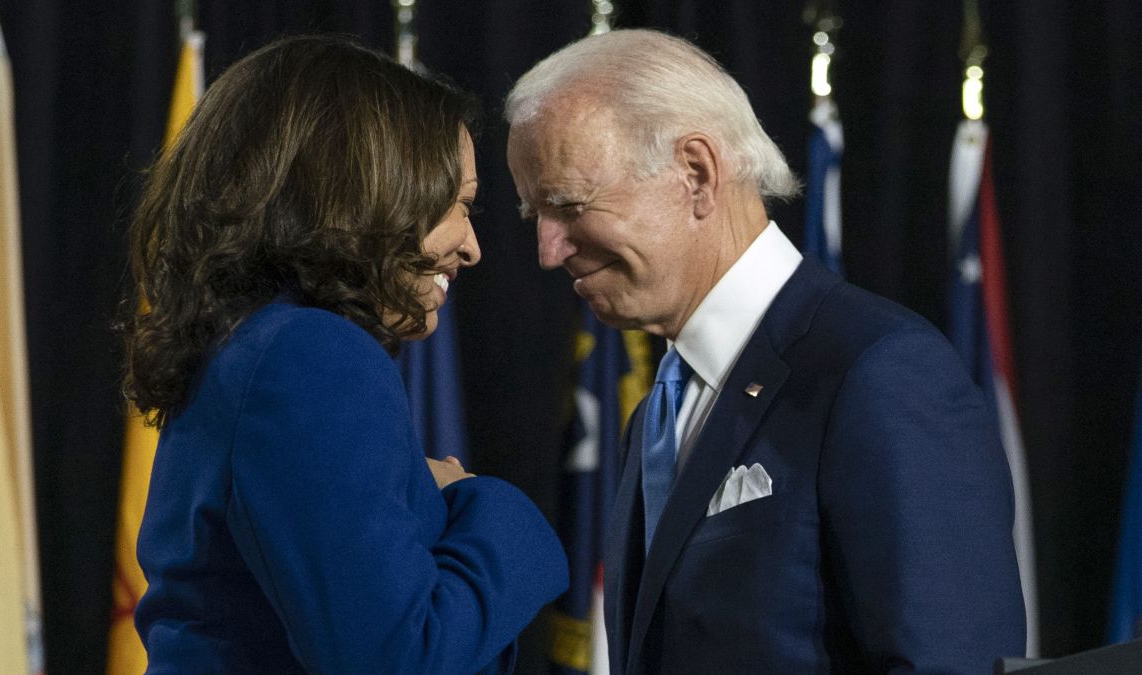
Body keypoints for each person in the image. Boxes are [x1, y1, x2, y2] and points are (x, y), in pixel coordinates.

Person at [506, 29, 1024, 674]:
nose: (548, 251)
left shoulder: (877, 371)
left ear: (695, 174)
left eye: (568, 205)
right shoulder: (658, 412)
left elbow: (951, 663)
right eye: (536, 217)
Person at [122, 35, 567, 674]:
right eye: (459, 205)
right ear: (368, 190)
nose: (471, 247)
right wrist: (482, 505)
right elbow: (397, 660)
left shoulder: (251, 342)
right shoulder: (310, 357)